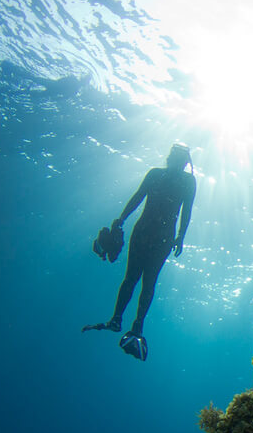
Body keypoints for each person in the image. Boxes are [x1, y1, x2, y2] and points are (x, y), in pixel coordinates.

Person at [83, 144, 197, 361]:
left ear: (182, 162)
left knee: (143, 281)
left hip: (153, 235)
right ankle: (121, 320)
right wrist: (120, 219)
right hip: (154, 235)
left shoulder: (185, 181)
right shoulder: (174, 178)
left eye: (177, 158)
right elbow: (138, 197)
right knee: (136, 279)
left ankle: (134, 324)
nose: (173, 160)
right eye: (173, 156)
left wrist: (181, 236)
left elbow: (186, 210)